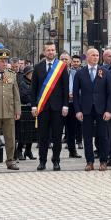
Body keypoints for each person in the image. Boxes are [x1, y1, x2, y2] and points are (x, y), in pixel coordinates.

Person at [31, 41, 69, 171]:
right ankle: (42, 161)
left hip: (58, 108)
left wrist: (65, 105)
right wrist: (33, 106)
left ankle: (56, 161)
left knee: (57, 136)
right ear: (44, 51)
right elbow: (33, 89)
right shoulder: (37, 67)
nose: (51, 52)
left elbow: (65, 88)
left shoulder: (62, 67)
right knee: (43, 137)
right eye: (48, 50)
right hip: (42, 108)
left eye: (53, 50)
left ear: (55, 51)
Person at [73, 48, 111, 171]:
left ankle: (103, 161)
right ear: (87, 57)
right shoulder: (80, 73)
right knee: (88, 137)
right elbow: (75, 94)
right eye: (93, 55)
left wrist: (108, 110)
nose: (96, 57)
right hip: (86, 109)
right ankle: (89, 161)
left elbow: (110, 93)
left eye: (97, 55)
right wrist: (78, 110)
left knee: (103, 136)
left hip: (101, 110)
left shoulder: (105, 72)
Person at [60, 52, 81, 159]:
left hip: (72, 104)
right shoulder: (55, 73)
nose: (64, 61)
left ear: (70, 61)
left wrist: (75, 94)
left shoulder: (75, 73)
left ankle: (72, 151)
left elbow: (80, 88)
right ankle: (56, 152)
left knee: (72, 129)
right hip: (59, 105)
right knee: (58, 129)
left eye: (66, 59)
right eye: (62, 59)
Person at [18, 65, 36, 160]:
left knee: (31, 132)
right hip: (25, 110)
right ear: (26, 74)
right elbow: (23, 96)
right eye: (30, 73)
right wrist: (32, 101)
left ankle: (28, 150)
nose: (32, 74)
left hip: (33, 109)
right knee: (23, 132)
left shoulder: (35, 83)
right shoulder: (23, 83)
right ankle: (19, 150)